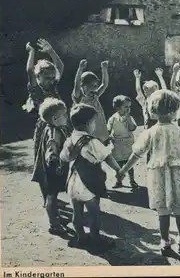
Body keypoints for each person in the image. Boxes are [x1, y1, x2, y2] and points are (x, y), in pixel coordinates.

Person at [118, 89, 180, 256]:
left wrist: (124, 169)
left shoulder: (150, 132)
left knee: (163, 211)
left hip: (157, 177)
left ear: (153, 111)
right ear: (173, 111)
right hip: (178, 176)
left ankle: (165, 242)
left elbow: (136, 153)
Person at [60, 104, 122, 248]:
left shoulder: (69, 139)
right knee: (94, 214)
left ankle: (81, 237)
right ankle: (96, 238)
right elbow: (107, 156)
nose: (95, 125)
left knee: (77, 213)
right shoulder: (92, 141)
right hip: (88, 185)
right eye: (94, 122)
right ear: (88, 123)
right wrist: (118, 170)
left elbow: (64, 158)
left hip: (72, 183)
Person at [22, 39, 65, 174]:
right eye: (47, 77)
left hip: (60, 123)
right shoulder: (36, 89)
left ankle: (59, 175)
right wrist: (32, 52)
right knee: (42, 152)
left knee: (61, 150)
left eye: (52, 77)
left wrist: (51, 51)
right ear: (38, 76)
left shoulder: (53, 86)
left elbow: (60, 67)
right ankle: (44, 179)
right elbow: (29, 70)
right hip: (44, 126)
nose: (51, 80)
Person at [31, 98, 70, 235]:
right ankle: (54, 224)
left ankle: (56, 219)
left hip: (51, 170)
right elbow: (51, 153)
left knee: (52, 196)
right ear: (55, 118)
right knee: (51, 197)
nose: (67, 116)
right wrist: (57, 164)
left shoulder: (54, 128)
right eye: (64, 114)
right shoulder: (54, 133)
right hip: (51, 171)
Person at [72, 59, 110, 145]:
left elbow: (105, 84)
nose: (95, 88)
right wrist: (80, 69)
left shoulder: (95, 96)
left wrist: (104, 69)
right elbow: (76, 85)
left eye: (96, 85)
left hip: (101, 133)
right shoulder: (79, 98)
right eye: (92, 85)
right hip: (89, 135)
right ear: (83, 86)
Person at [108, 95, 139, 189]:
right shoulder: (113, 118)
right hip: (117, 144)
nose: (128, 109)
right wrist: (108, 137)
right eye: (126, 106)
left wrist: (128, 116)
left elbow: (132, 127)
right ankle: (119, 181)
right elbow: (108, 130)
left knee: (129, 163)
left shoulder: (129, 117)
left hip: (128, 143)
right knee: (118, 164)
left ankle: (132, 180)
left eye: (129, 107)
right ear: (117, 107)